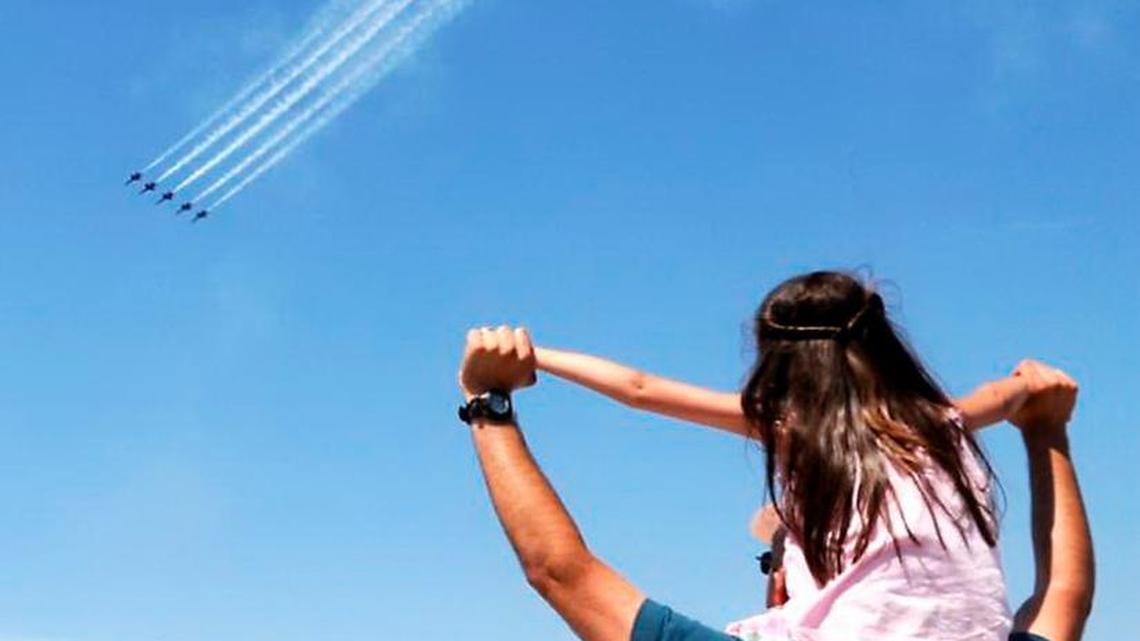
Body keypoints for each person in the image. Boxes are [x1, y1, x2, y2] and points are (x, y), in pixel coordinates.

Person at [457, 279, 1092, 641]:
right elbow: (1065, 592)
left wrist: (507, 377)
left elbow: (561, 568)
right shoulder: (942, 422)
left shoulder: (795, 430)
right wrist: (1044, 423)